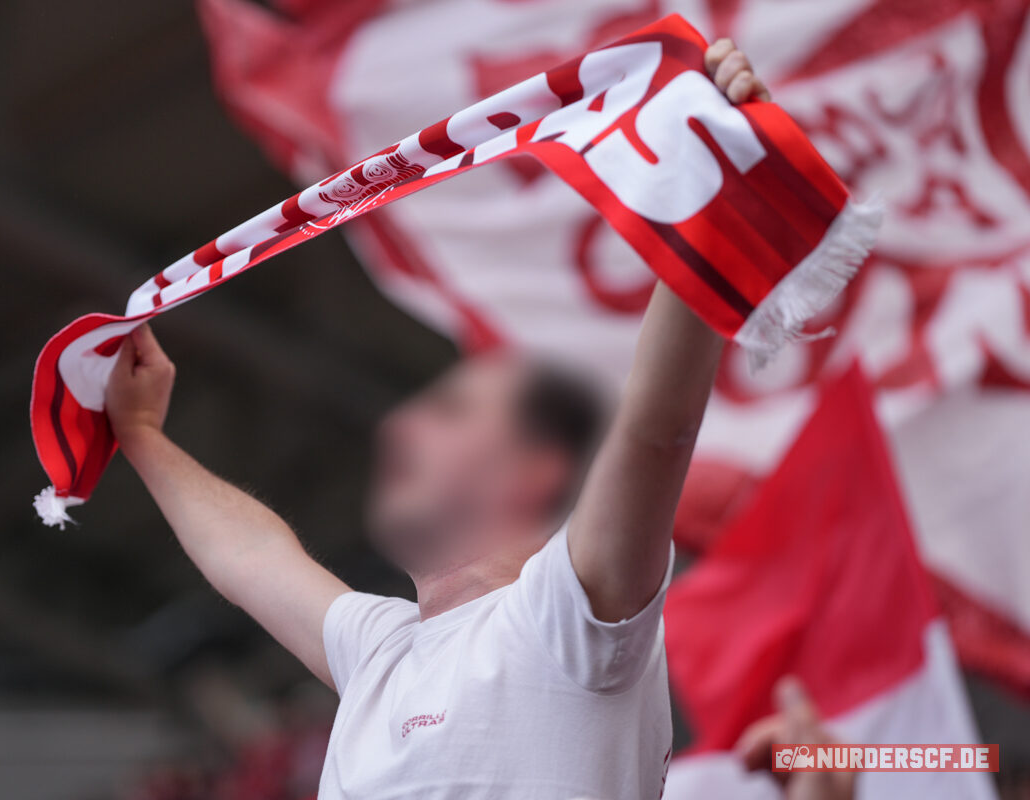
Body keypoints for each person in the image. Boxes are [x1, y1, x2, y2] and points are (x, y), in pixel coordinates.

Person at [105, 38, 770, 800]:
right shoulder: (382, 651)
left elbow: (656, 430)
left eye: (449, 412)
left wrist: (710, 191)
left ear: (535, 471)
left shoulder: (568, 617)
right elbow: (250, 557)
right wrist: (142, 436)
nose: (399, 432)